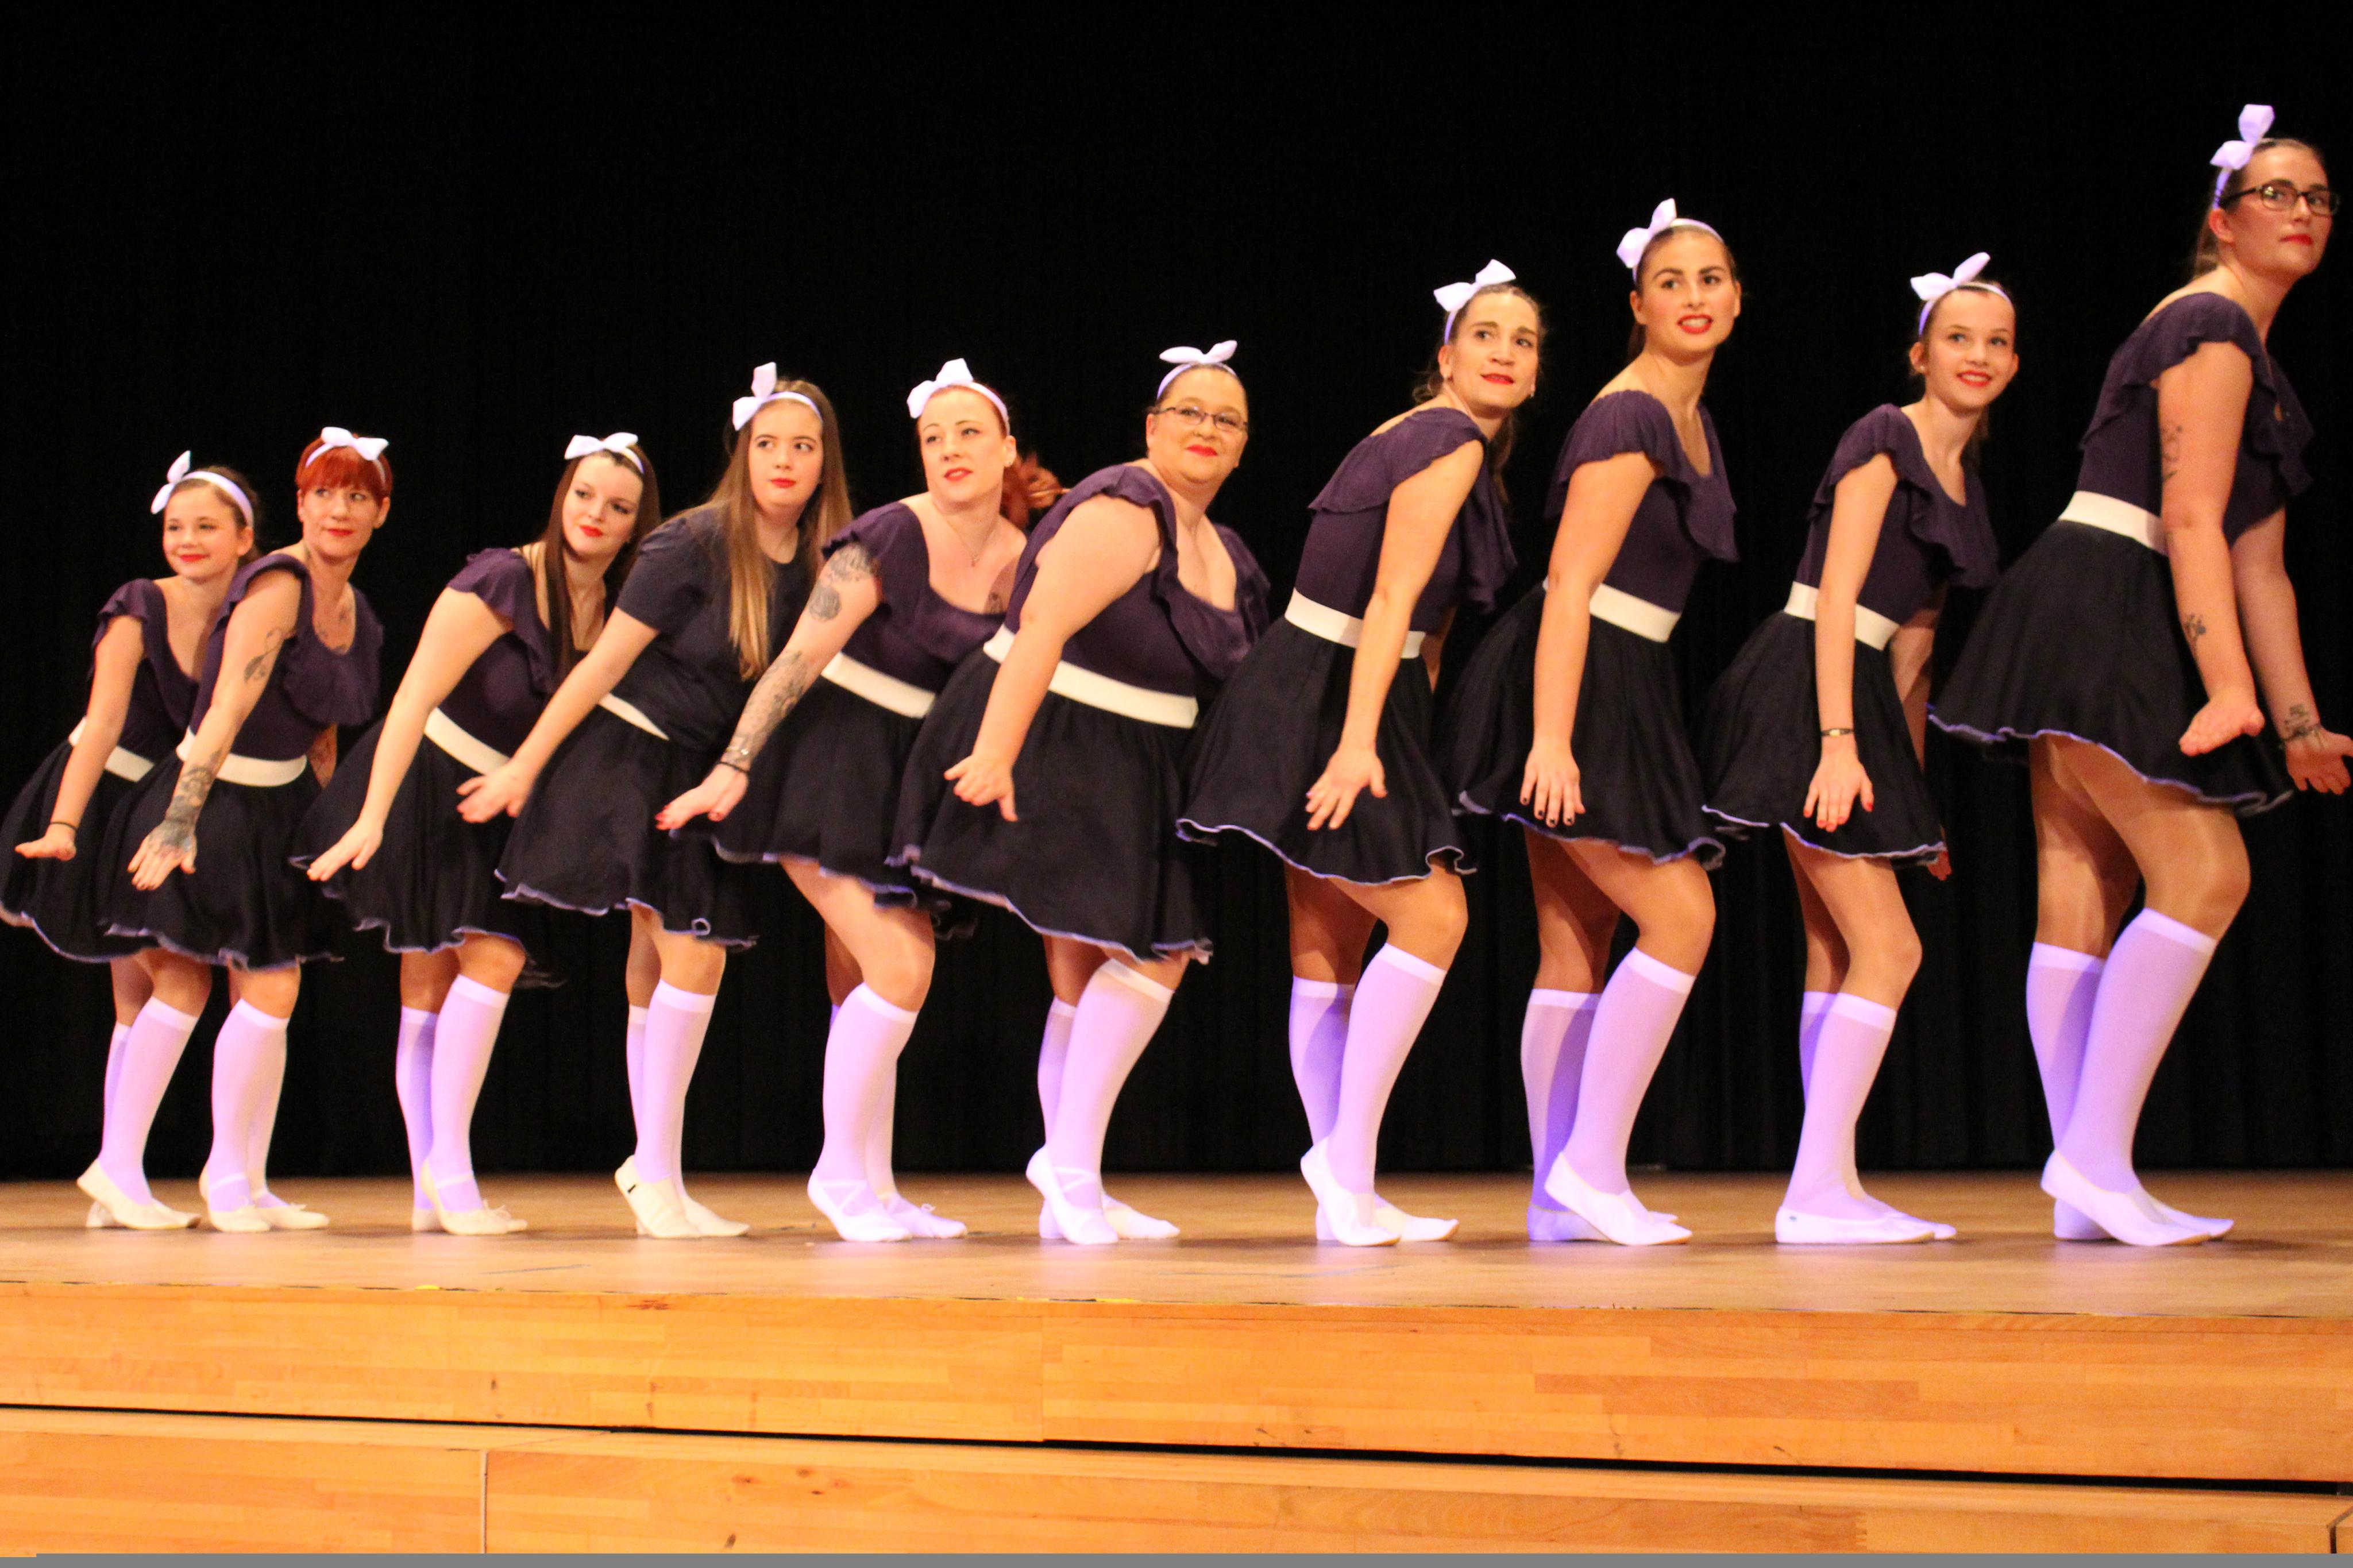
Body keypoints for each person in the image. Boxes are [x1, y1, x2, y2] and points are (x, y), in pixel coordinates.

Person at [1932, 108, 2341, 1245]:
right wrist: (2225, 687)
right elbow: (2190, 514)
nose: (2302, 212)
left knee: (2084, 875)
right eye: (2275, 193)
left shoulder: (2251, 358)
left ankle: (2086, 1182)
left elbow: (2261, 565)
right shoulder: (2208, 322)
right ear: (2221, 219)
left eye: (2317, 197)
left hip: (2114, 593)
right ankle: (2090, 1159)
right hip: (2104, 591)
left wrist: (2298, 721)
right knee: (2204, 871)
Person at [659, 361, 1057, 1241]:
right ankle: (839, 1175)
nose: (950, 449)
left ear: (1007, 450)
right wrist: (735, 764)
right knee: (900, 966)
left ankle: (874, 1184)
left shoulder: (1025, 558)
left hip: (905, 780)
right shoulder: (888, 535)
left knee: (865, 981)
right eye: (933, 437)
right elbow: (798, 659)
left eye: (969, 433)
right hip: (826, 765)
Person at [1181, 271, 1537, 1245]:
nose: (1505, 352)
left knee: (1329, 934)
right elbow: (1390, 598)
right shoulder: (1448, 437)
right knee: (1434, 916)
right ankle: (1343, 1160)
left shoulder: (1436, 440)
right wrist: (1355, 742)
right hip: (1331, 689)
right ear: (1447, 356)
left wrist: (1399, 727)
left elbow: (1426, 627)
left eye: (1524, 341)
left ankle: (1350, 1187)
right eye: (1486, 334)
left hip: (1341, 683)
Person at [893, 348, 1266, 1245]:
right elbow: (1042, 627)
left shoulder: (1226, 551)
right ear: (1152, 427)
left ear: (1244, 443)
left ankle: (1074, 1174)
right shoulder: (1125, 508)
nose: (1206, 429)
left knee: (1087, 970)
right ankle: (1068, 1168)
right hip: (1062, 737)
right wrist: (995, 752)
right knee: (1155, 954)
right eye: (1189, 412)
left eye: (1226, 419)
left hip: (1137, 762)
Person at [461, 368, 840, 1239]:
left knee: (659, 953)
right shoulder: (693, 542)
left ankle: (653, 1168)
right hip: (632, 755)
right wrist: (525, 766)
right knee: (693, 950)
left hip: (705, 767)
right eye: (767, 444)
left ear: (826, 463)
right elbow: (602, 662)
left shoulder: (821, 562)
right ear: (743, 453)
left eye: (802, 446)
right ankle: (656, 1171)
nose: (783, 460)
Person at [1700, 257, 2018, 1243]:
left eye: (1997, 342)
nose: (1978, 355)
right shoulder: (1885, 435)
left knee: (1840, 949)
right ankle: (1814, 1190)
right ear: (1922, 354)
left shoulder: (1962, 483)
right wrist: (1836, 742)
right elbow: (1836, 595)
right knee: (1892, 947)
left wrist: (1911, 808)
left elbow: (1915, 651)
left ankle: (1829, 1177)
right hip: (1809, 676)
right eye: (1958, 338)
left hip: (1862, 690)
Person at [1441, 203, 1739, 1245]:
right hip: (1582, 672)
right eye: (1671, 281)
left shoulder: (1688, 416)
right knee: (1683, 916)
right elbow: (1570, 582)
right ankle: (1592, 1167)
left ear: (1736, 298)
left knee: (1577, 939)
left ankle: (1554, 1193)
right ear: (1638, 304)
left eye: (1711, 279)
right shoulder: (1630, 413)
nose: (1694, 297)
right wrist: (1552, 738)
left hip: (1624, 672)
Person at [299, 435, 651, 1234]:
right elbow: (413, 697)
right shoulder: (500, 578)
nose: (596, 514)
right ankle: (449, 1176)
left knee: (437, 981)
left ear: (637, 524)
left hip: (500, 803)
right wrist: (372, 815)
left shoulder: (611, 605)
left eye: (618, 506)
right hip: (429, 781)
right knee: (487, 960)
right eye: (584, 495)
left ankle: (430, 1192)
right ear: (561, 495)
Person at [107, 428, 390, 1231]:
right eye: (324, 493)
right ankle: (146, 1168)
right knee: (223, 982)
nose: (339, 510)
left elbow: (324, 730)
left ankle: (246, 1174)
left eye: (357, 496)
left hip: (278, 806)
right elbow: (228, 702)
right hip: (217, 796)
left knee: (268, 988)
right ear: (299, 504)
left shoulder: (356, 609)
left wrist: (327, 824)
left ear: (381, 512)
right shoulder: (278, 583)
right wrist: (180, 819)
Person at [7, 453, 255, 1228]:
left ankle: (117, 1183)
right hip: (100, 792)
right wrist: (63, 825)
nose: (188, 539)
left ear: (245, 538)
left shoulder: (251, 613)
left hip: (160, 796)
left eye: (207, 526)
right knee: (176, 979)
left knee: (138, 995)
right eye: (176, 526)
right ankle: (118, 1171)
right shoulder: (137, 605)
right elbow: (104, 721)